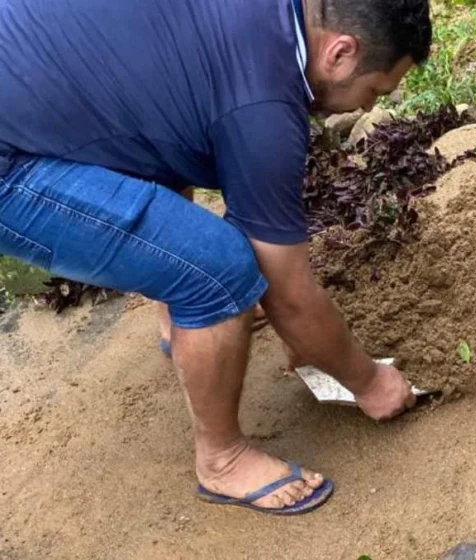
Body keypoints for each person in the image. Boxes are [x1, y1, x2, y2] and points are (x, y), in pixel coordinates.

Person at [0, 0, 432, 515]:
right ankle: (222, 460)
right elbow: (288, 296)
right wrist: (368, 380)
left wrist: (310, 339)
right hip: (11, 159)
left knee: (164, 126)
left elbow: (165, 116)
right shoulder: (264, 105)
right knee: (219, 271)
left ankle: (179, 323)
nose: (365, 108)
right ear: (340, 53)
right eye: (376, 91)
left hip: (28, 71)